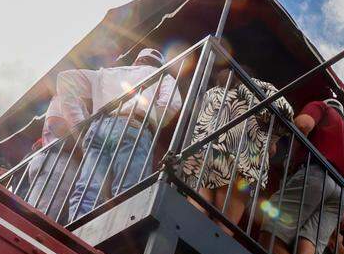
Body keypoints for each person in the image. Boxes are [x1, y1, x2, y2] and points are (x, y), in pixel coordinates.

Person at [42, 47, 182, 221]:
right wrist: (151, 119)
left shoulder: (106, 73)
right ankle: (124, 231)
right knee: (129, 187)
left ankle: (76, 232)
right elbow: (172, 103)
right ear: (159, 64)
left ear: (137, 61)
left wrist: (80, 125)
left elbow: (65, 79)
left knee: (88, 188)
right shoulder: (161, 75)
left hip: (98, 128)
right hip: (132, 125)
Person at [260, 97, 344, 254]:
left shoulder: (321, 107)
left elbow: (303, 124)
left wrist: (291, 157)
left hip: (316, 174)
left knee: (270, 234)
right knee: (308, 247)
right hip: (342, 195)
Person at [181, 63, 293, 226]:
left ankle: (183, 236)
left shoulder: (212, 92)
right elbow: (285, 111)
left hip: (204, 151)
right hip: (241, 157)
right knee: (225, 223)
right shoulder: (256, 86)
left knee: (196, 206)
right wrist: (272, 140)